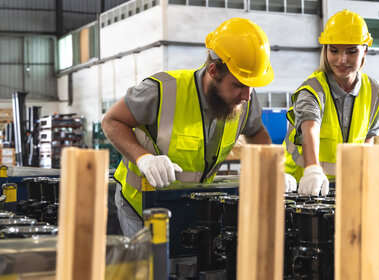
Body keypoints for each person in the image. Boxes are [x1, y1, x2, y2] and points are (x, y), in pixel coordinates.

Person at [103, 18, 275, 237]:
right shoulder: (162, 91)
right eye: (238, 84)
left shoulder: (244, 100)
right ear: (213, 71)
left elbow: (257, 133)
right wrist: (144, 159)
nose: (246, 95)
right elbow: (112, 121)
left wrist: (272, 171)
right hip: (142, 207)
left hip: (193, 207)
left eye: (251, 85)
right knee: (151, 270)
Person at [283, 10, 379, 196]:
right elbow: (309, 129)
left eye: (351, 51)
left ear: (365, 50)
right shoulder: (312, 89)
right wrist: (312, 169)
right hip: (299, 187)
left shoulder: (374, 91)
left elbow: (368, 138)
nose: (342, 59)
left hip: (344, 189)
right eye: (334, 50)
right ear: (326, 49)